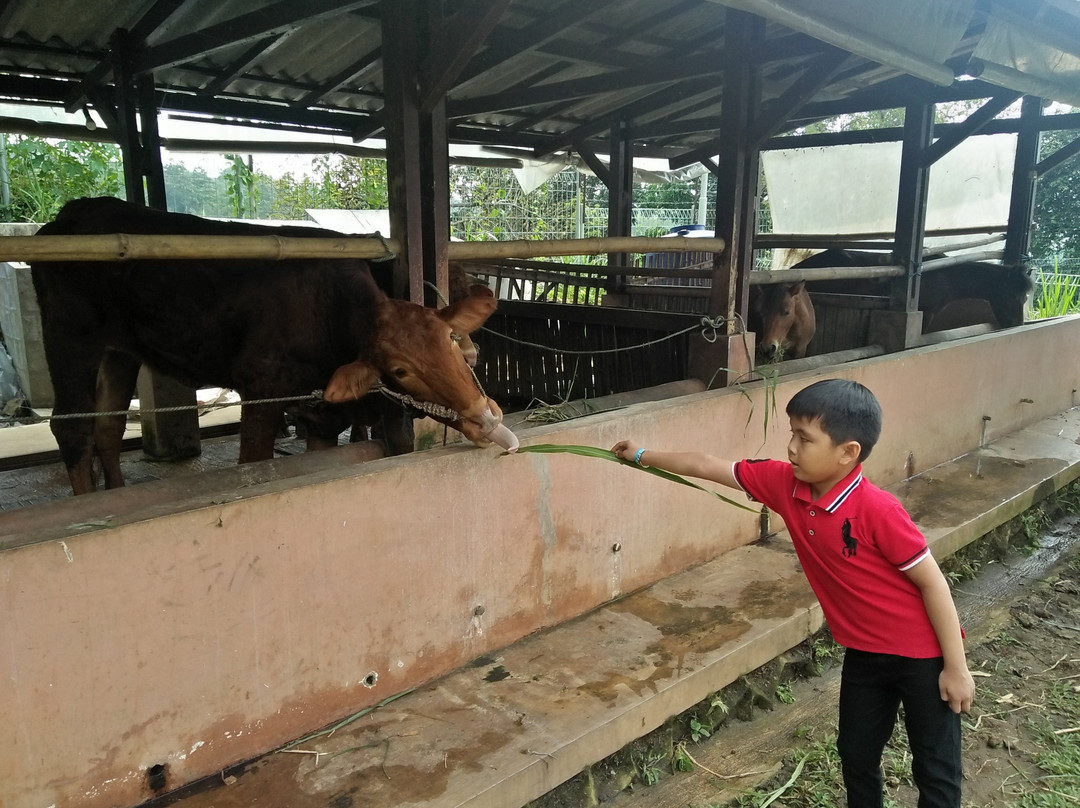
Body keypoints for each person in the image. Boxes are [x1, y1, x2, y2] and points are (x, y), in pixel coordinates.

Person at [611, 378, 975, 808]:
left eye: (805, 439)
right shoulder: (784, 484)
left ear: (848, 452)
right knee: (855, 754)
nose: (791, 448)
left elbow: (933, 583)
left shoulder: (878, 510)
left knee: (935, 769)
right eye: (791, 434)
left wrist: (956, 668)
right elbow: (708, 464)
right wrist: (640, 454)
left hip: (922, 654)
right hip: (863, 651)